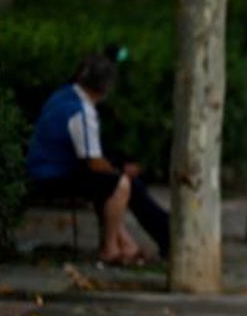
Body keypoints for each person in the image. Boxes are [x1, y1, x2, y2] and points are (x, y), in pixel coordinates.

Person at [25, 53, 171, 264]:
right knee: (120, 184)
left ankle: (131, 244)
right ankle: (112, 248)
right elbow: (93, 162)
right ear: (106, 87)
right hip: (53, 175)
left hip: (46, 169)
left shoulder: (63, 95)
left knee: (119, 182)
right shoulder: (81, 110)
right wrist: (119, 171)